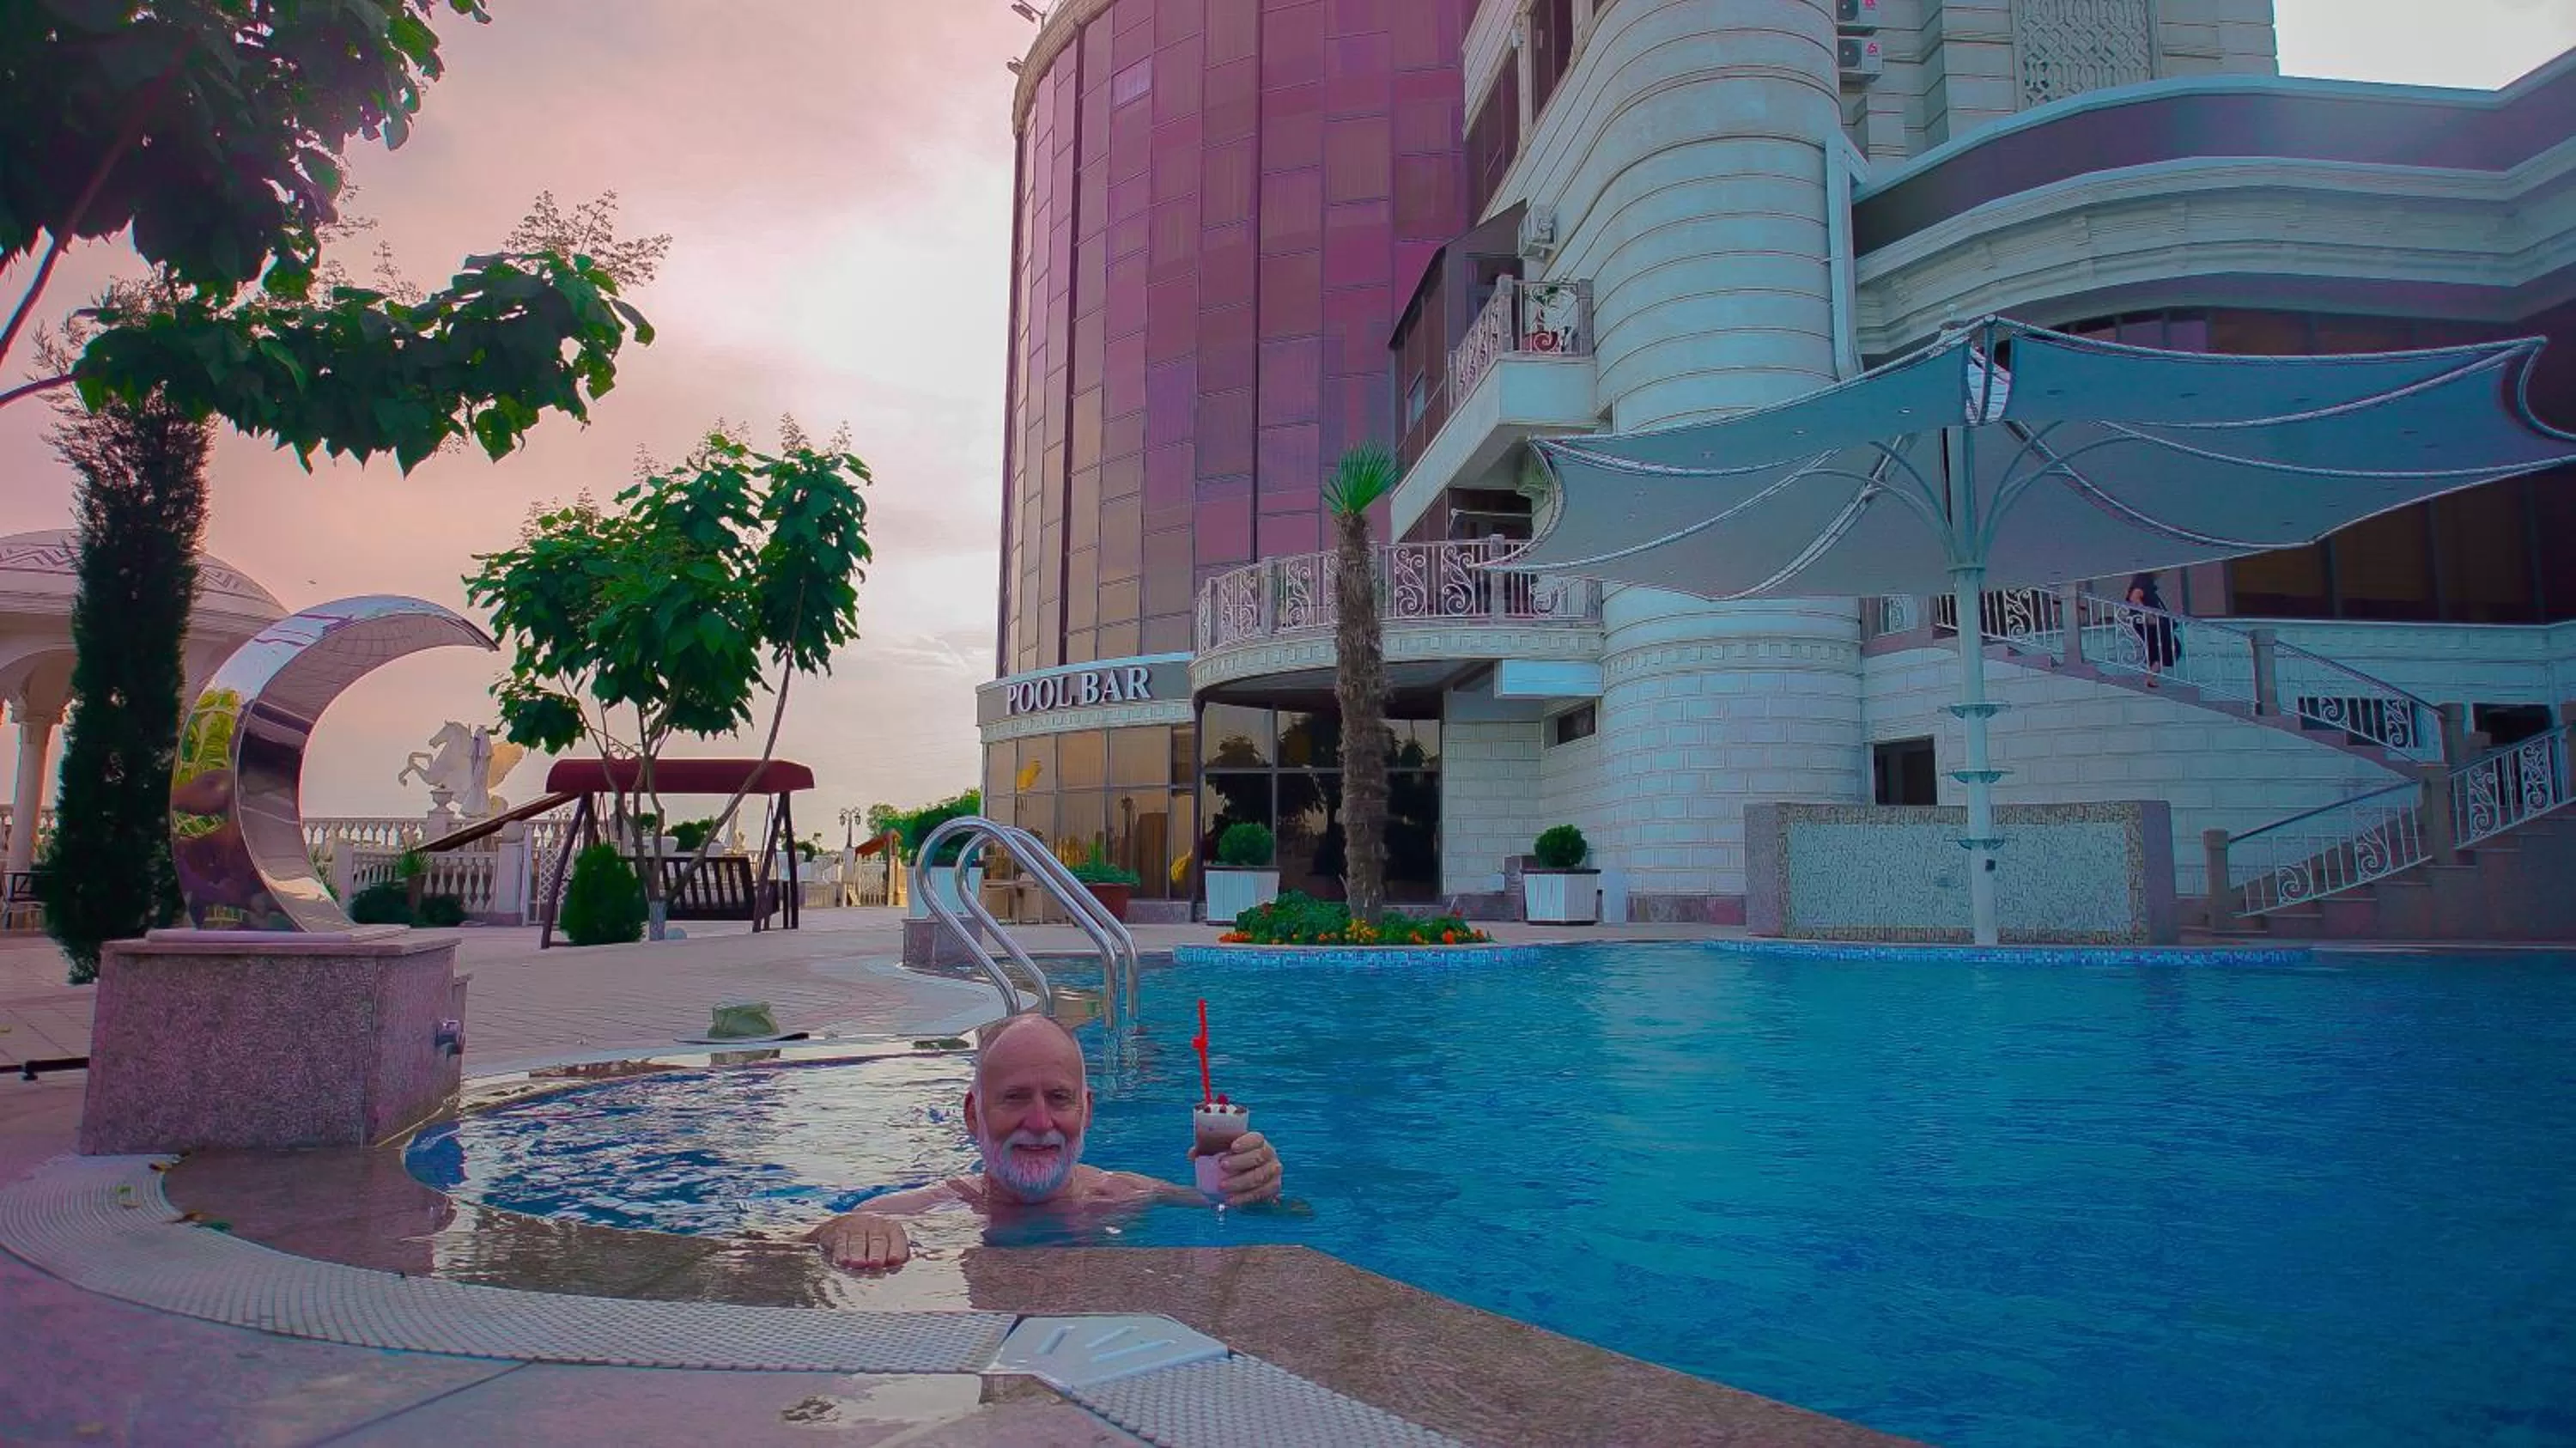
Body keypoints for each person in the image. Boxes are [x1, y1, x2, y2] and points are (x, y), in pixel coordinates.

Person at [806, 1013, 1285, 1271]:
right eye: (1014, 1098)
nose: (1040, 1121)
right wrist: (841, 1231)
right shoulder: (928, 1209)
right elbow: (788, 1240)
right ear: (974, 1115)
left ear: (1087, 1111)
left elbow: (1254, 1218)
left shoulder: (1131, 1195)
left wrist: (1258, 1188)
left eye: (1059, 1098)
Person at [2124, 571, 2180, 687]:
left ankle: (2150, 677)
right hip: (2150, 622)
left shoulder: (2146, 581)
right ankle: (2150, 676)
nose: (2162, 573)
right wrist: (2149, 616)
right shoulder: (2143, 579)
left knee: (2159, 651)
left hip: (2151, 622)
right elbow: (2134, 597)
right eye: (2162, 570)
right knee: (2169, 648)